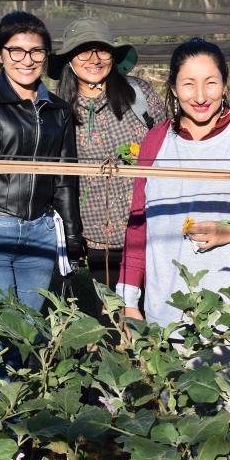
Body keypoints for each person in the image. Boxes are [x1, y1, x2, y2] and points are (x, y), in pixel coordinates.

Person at [115, 38, 230, 328]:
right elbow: (139, 224)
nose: (200, 96)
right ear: (174, 88)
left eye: (211, 83)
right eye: (189, 84)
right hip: (165, 311)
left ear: (225, 86)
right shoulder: (155, 142)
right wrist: (127, 300)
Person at [0, 10, 85, 312]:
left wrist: (72, 233)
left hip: (40, 230)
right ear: (0, 54)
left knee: (30, 332)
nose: (27, 59)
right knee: (1, 328)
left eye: (36, 51)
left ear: (46, 55)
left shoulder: (58, 110)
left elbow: (65, 177)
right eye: (17, 50)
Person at [48, 18, 165, 294]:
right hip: (96, 235)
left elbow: (167, 146)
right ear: (69, 60)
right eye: (83, 51)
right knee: (110, 313)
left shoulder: (139, 94)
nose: (94, 59)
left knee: (153, 310)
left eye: (102, 50)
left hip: (148, 225)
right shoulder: (58, 110)